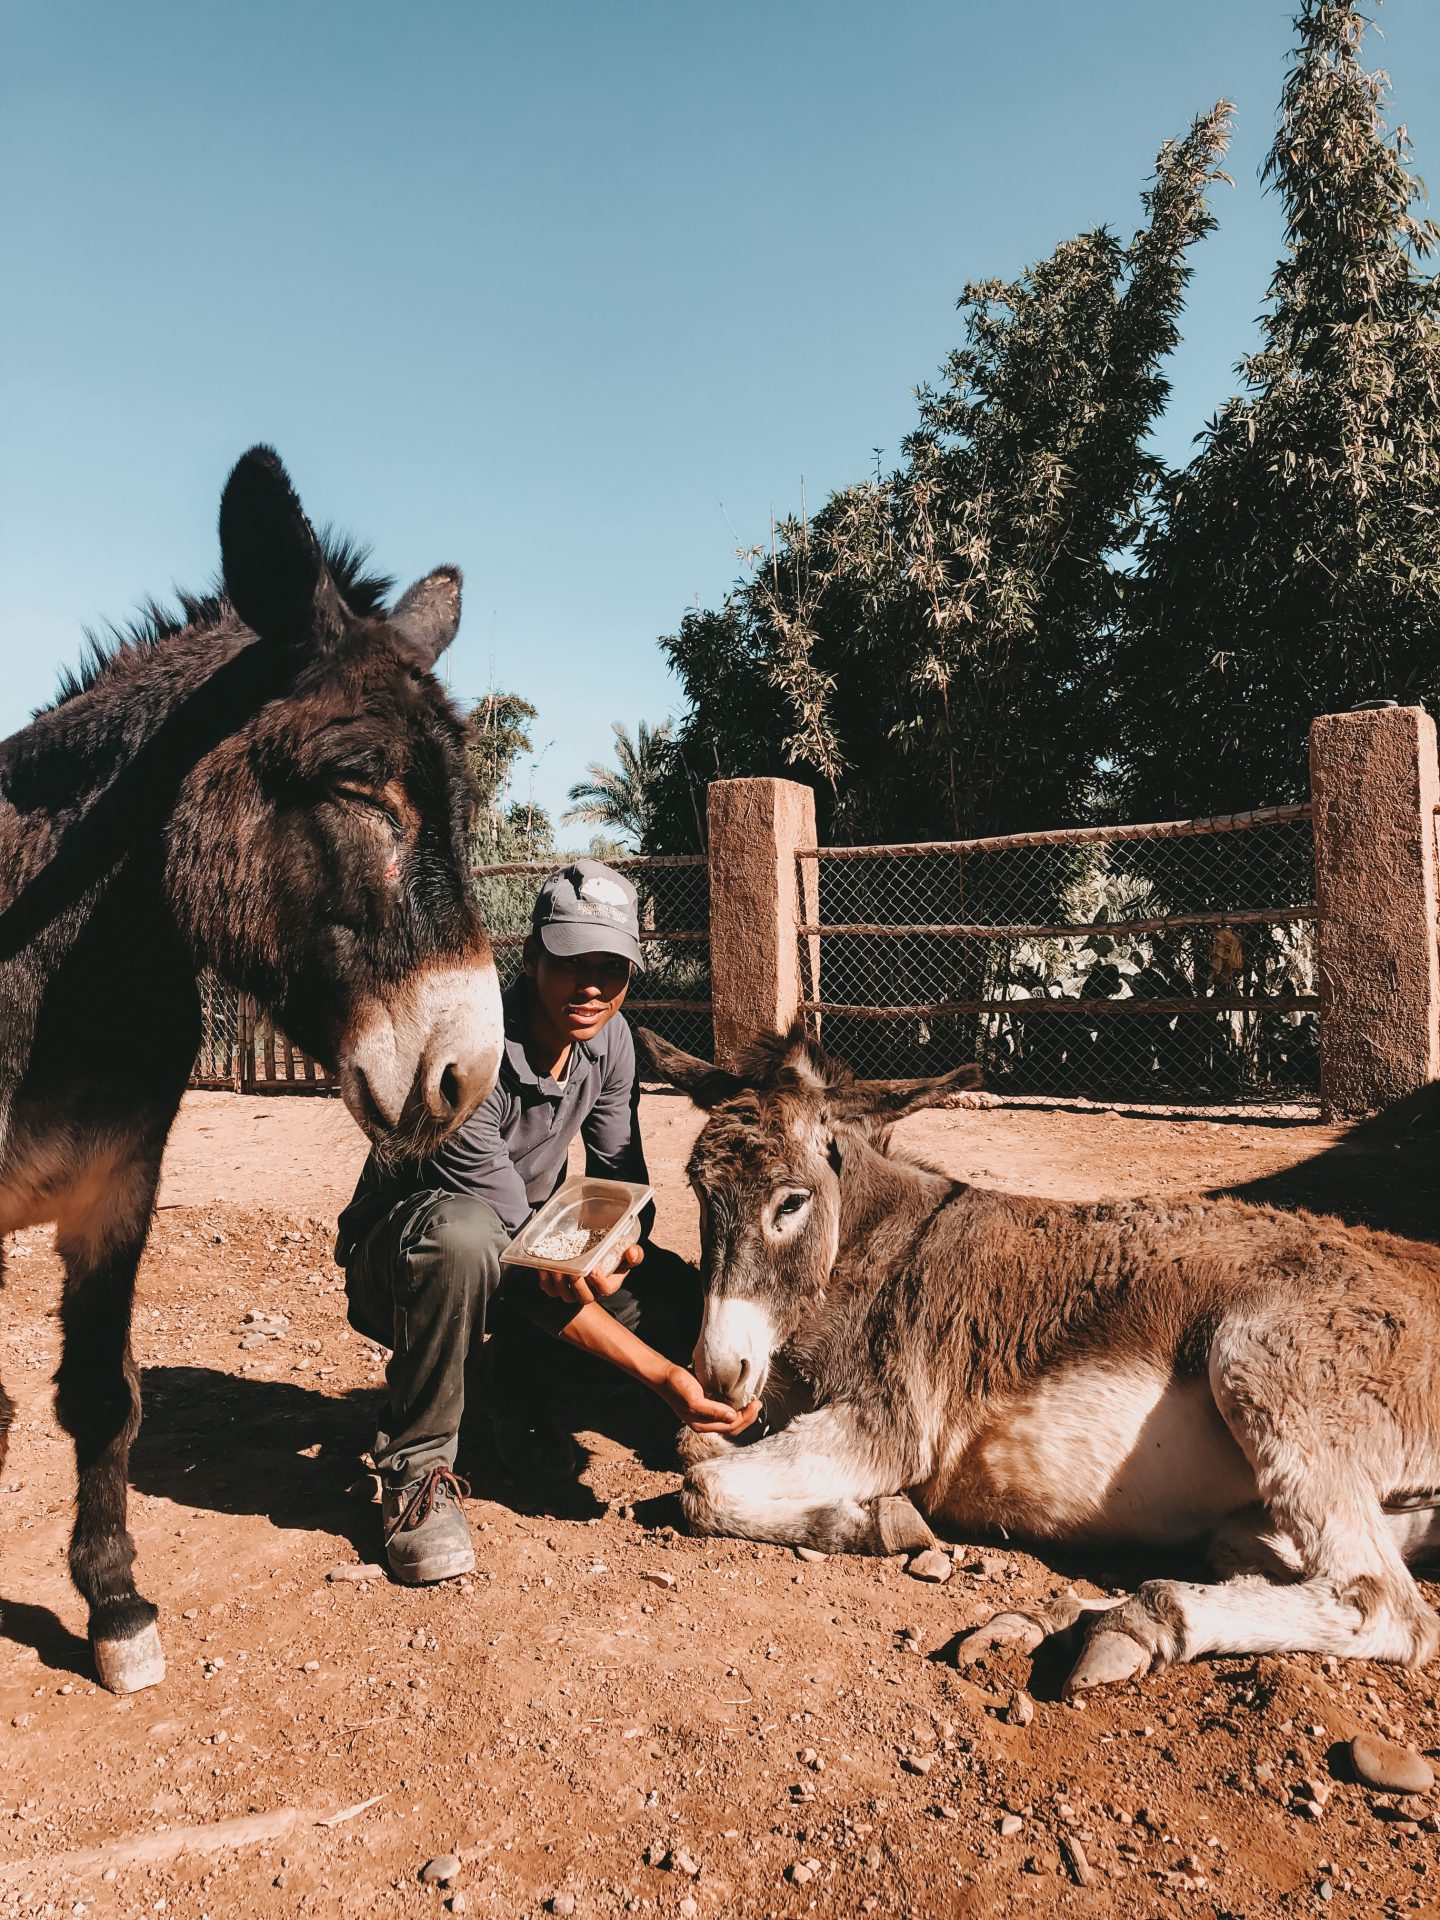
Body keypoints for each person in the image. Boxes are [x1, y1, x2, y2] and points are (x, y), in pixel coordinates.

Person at [335, 858, 757, 1584]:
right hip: (410, 1261)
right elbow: (515, 1267)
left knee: (675, 1300)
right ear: (531, 958)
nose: (592, 986)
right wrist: (660, 1376)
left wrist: (619, 1245)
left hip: (520, 1239)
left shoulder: (610, 1040)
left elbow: (623, 1182)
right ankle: (418, 1471)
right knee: (465, 1242)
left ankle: (511, 1386)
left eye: (612, 967)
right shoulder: (475, 1055)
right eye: (570, 962)